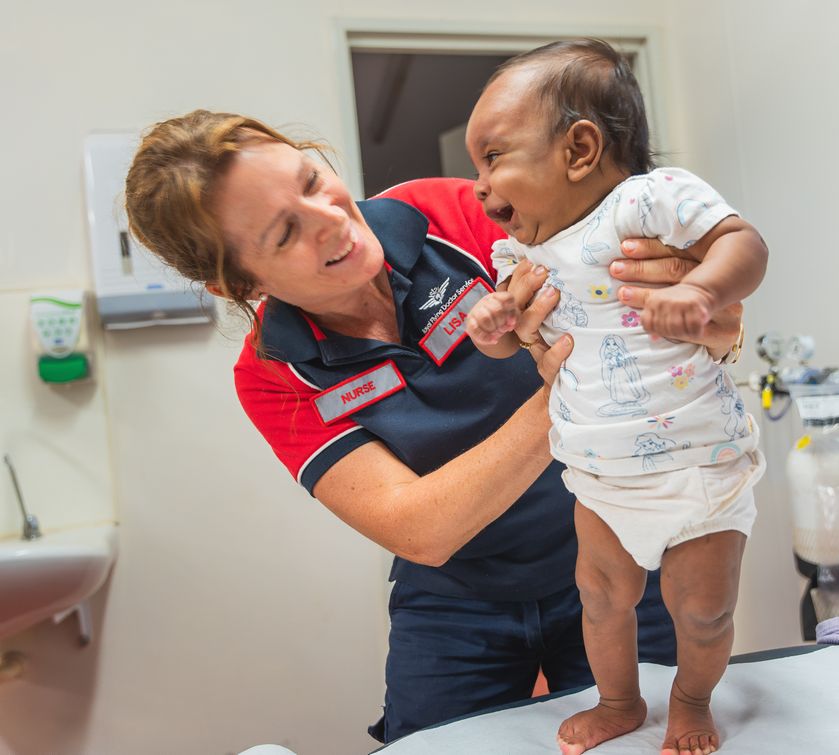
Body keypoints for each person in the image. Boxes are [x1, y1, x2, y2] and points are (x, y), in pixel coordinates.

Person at [123, 109, 744, 744]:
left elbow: (644, 297)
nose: (333, 221)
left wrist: (711, 331)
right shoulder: (274, 374)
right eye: (286, 233)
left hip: (618, 543)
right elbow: (420, 530)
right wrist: (569, 392)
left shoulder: (449, 214)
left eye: (312, 181)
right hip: (460, 592)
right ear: (239, 282)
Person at [464, 40, 767, 755]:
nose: (478, 185)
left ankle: (691, 698)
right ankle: (621, 701)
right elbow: (514, 338)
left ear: (579, 148)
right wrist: (493, 328)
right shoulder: (521, 252)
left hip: (701, 465)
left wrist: (700, 289)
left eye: (494, 156)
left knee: (702, 611)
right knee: (599, 599)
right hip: (600, 478)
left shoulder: (648, 201)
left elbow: (744, 243)